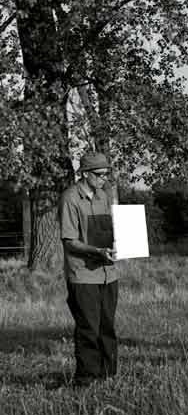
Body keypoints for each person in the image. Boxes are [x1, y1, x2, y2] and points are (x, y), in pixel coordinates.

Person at [59, 151, 119, 387]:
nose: (104, 178)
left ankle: (108, 375)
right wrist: (96, 252)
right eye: (99, 174)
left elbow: (109, 231)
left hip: (108, 273)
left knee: (107, 327)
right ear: (84, 173)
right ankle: (85, 380)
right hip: (83, 276)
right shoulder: (70, 199)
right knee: (88, 329)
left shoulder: (104, 195)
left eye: (107, 174)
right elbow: (69, 240)